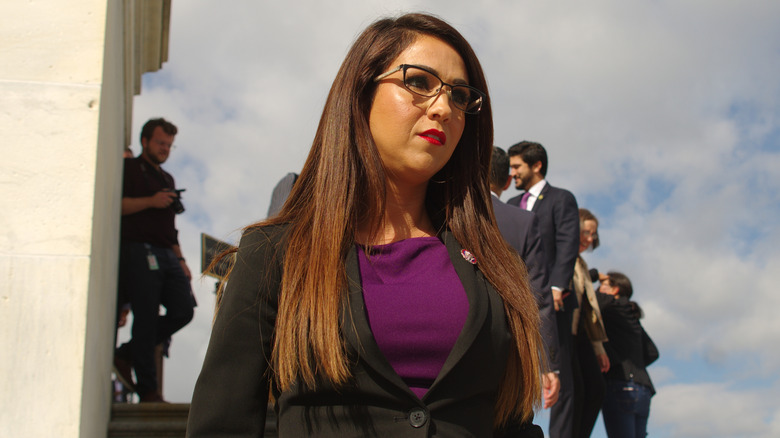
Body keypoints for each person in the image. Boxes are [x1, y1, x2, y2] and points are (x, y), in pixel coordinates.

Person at [187, 13, 546, 437]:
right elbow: (222, 423)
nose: (443, 107)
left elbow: (512, 421)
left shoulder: (494, 264)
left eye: (460, 96)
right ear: (361, 94)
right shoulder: (274, 252)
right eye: (419, 82)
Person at [114, 117, 195, 403]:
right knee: (146, 317)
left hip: (167, 253)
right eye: (161, 143)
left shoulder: (167, 179)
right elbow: (114, 206)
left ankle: (127, 353)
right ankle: (149, 391)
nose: (165, 149)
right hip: (138, 250)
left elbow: (170, 228)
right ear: (145, 141)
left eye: (170, 145)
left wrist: (182, 260)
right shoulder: (127, 169)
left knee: (184, 310)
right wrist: (151, 201)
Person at [507, 141, 580, 438]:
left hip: (552, 301)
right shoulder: (510, 206)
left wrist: (556, 287)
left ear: (536, 166)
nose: (511, 174)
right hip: (516, 301)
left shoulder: (561, 199)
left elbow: (567, 245)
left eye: (516, 167)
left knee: (559, 376)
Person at [490, 146, 561, 410]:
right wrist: (548, 364)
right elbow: (539, 297)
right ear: (507, 182)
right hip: (508, 359)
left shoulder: (443, 212)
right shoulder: (524, 222)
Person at [597, 272, 658, 438]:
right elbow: (653, 352)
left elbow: (588, 297)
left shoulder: (609, 305)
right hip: (643, 389)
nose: (598, 288)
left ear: (615, 290)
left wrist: (595, 274)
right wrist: (632, 363)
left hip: (620, 385)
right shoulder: (632, 316)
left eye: (603, 285)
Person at [570, 208, 610, 438]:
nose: (590, 239)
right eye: (586, 232)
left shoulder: (582, 265)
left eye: (593, 235)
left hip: (583, 334)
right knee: (575, 393)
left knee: (596, 388)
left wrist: (598, 347)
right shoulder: (560, 256)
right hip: (566, 334)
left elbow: (588, 310)